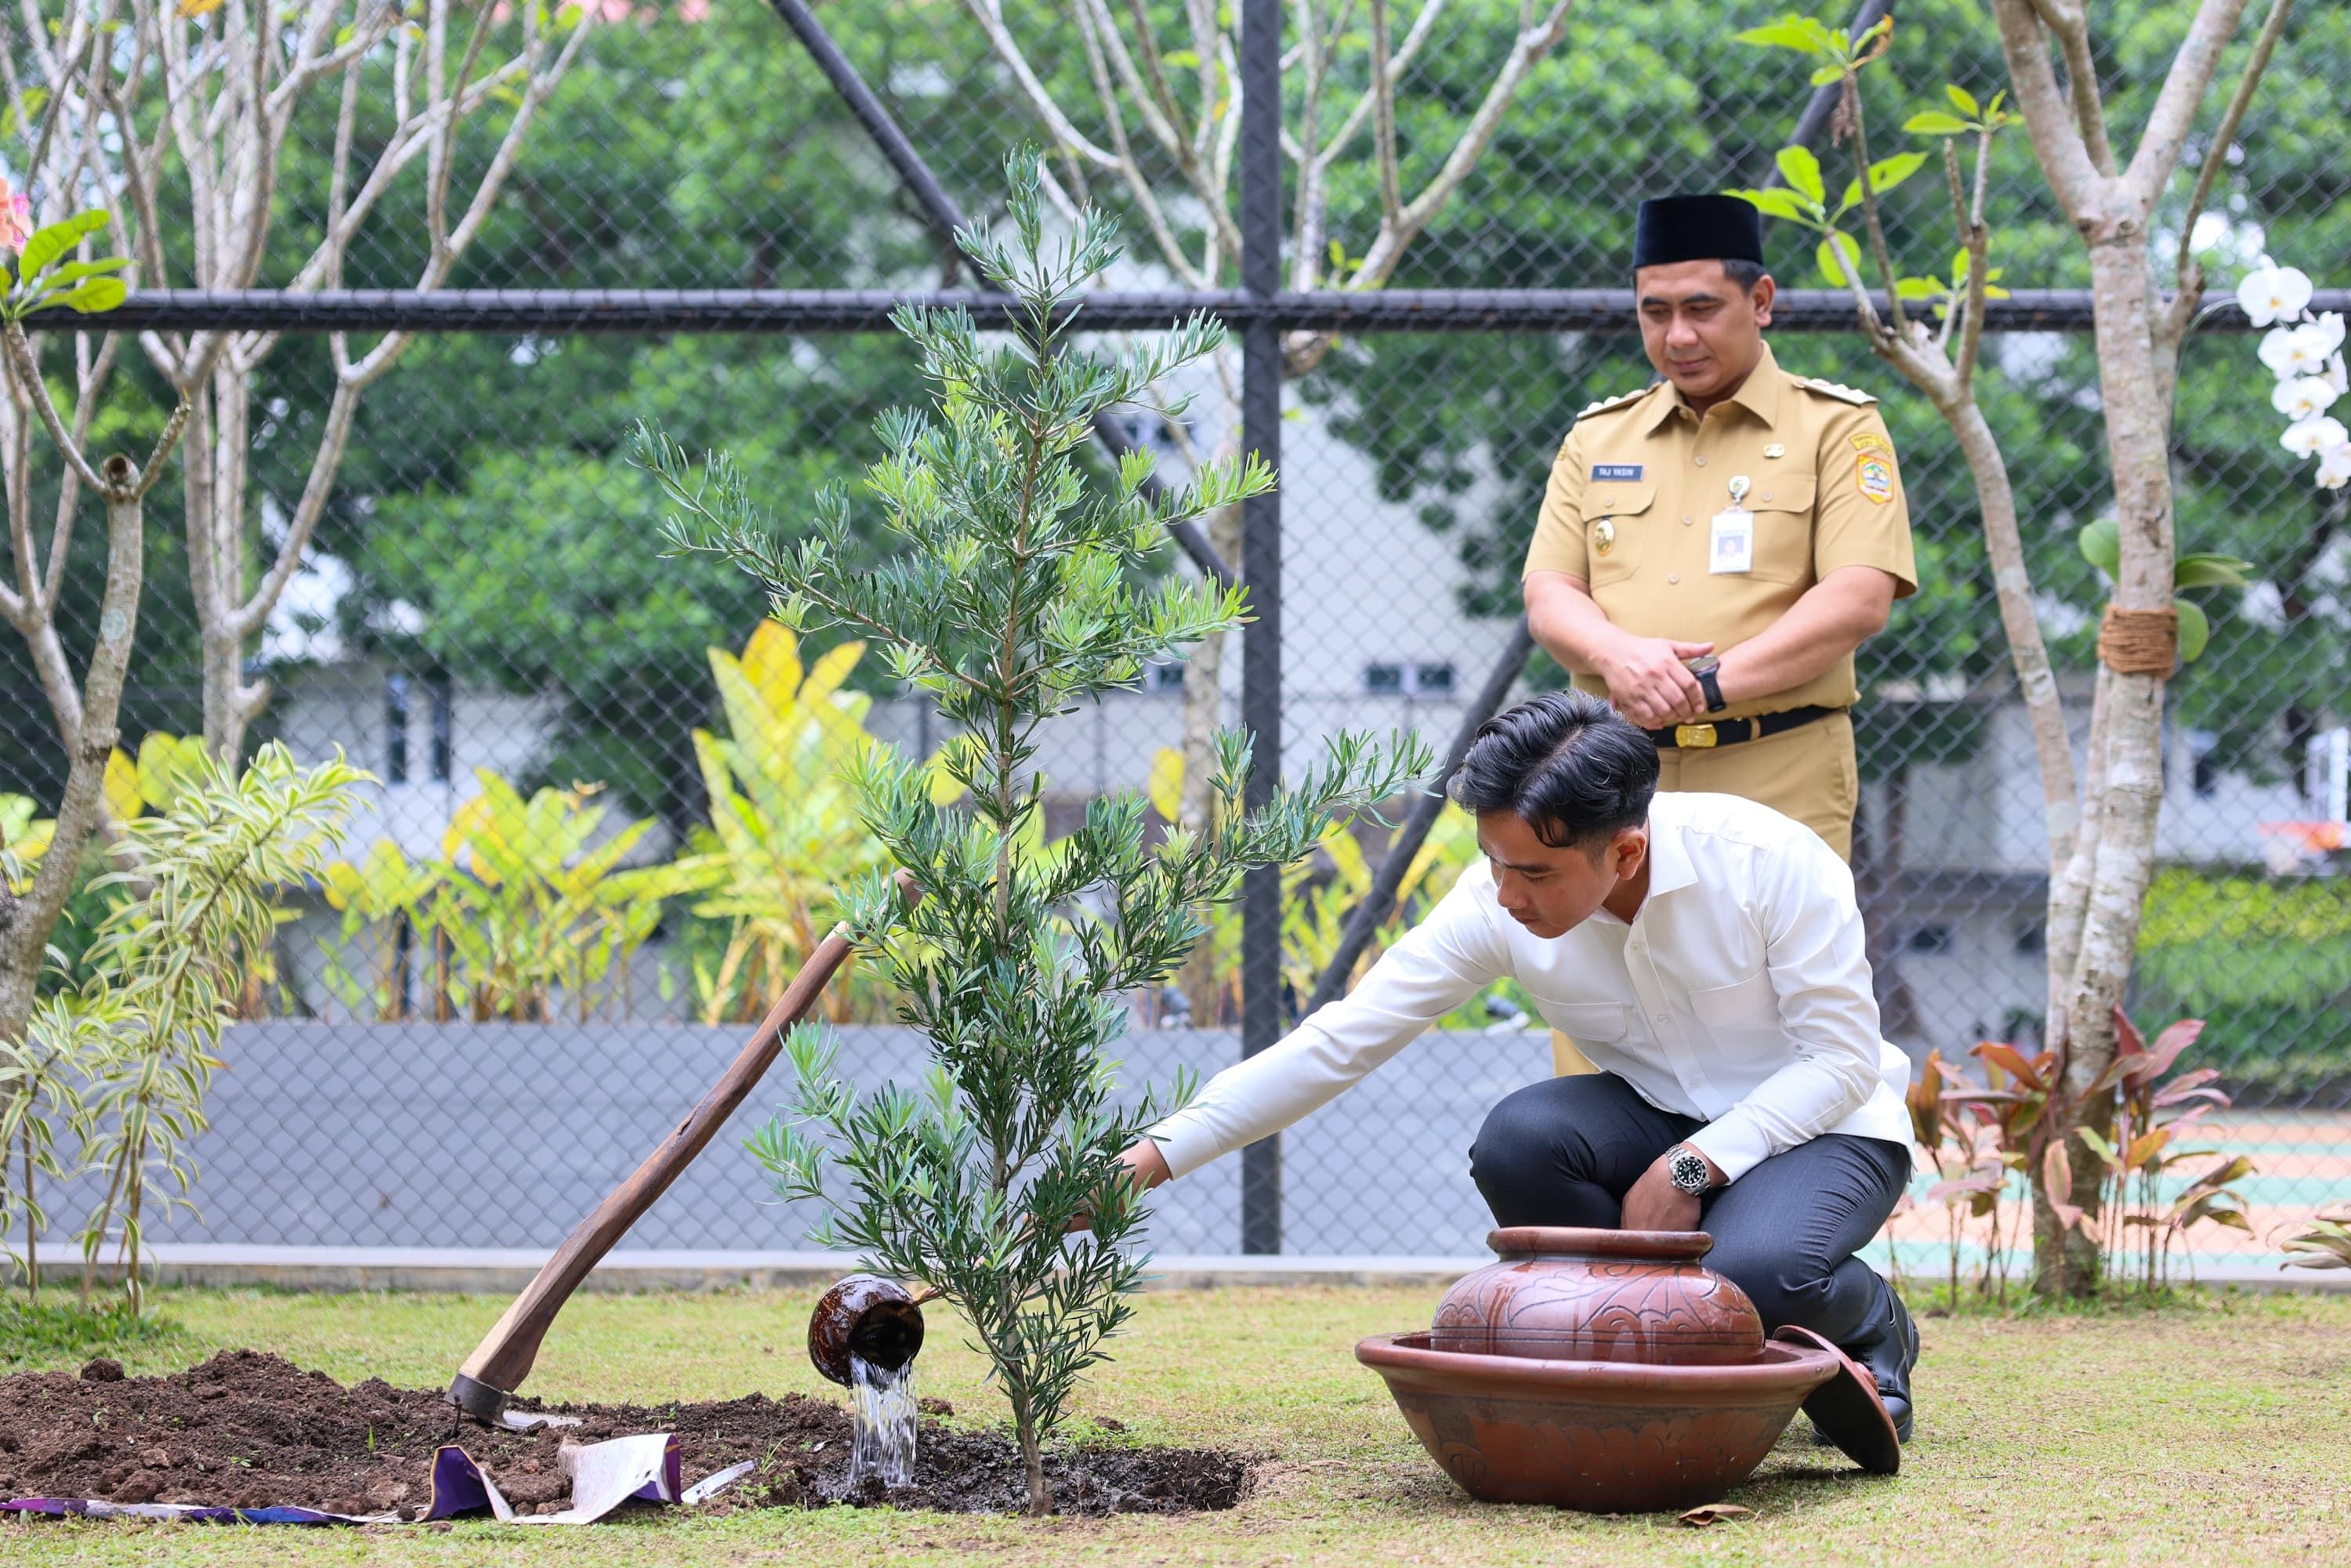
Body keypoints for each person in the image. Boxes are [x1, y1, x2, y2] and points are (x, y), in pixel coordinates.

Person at [1111, 691, 1922, 1442]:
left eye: (1532, 872)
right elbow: (1341, 1039)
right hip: (1660, 1112)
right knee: (1520, 1141)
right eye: (1494, 862)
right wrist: (1155, 1156)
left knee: (1750, 1272)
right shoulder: (1492, 902)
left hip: (1826, 1128)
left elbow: (1841, 1061)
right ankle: (1645, 1355)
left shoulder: (1768, 862)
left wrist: (1693, 1167)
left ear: (1627, 851)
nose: (1505, 894)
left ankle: (1869, 1321)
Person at [1520, 192, 1916, 864]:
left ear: (1760, 300)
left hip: (1779, 773)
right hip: (1613, 780)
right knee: (1614, 967)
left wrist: (1702, 687)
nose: (1678, 336)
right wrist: (1618, 656)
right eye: (1656, 312)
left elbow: (1858, 596)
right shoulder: (1598, 438)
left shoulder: (1837, 428)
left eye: (1702, 308)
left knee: (1770, 969)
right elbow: (1550, 591)